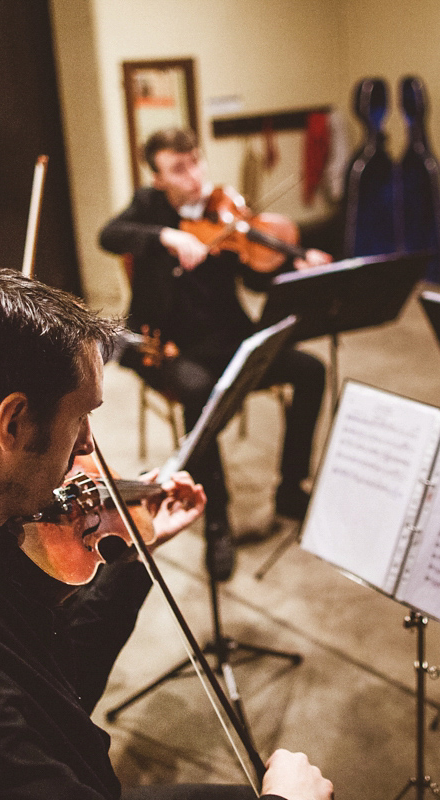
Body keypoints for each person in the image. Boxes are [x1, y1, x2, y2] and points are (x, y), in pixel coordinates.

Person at [0, 270, 334, 800]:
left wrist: (131, 552)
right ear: (12, 424)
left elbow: (59, 685)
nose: (85, 450)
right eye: (82, 418)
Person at [98, 128, 332, 580]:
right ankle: (218, 521)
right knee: (199, 395)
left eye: (196, 163)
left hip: (231, 338)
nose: (193, 176)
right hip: (166, 345)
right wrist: (168, 236)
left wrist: (293, 263)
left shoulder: (225, 210)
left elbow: (257, 278)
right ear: (158, 176)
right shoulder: (149, 207)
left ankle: (290, 487)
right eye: (178, 169)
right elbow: (109, 235)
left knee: (311, 371)